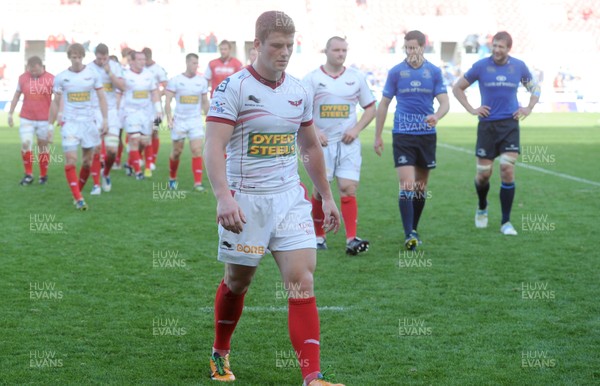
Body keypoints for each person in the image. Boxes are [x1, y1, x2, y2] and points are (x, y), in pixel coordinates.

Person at [204, 11, 344, 386]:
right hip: (245, 202)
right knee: (237, 282)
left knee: (303, 281)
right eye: (276, 46)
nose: (284, 53)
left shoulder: (299, 90)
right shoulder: (232, 88)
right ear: (257, 46)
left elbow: (310, 146)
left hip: (289, 199)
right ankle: (220, 351)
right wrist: (223, 197)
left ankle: (312, 376)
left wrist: (326, 196)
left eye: (289, 46)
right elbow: (213, 147)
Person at [452, 31, 540, 236]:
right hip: (487, 127)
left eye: (501, 47)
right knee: (483, 175)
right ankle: (482, 206)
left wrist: (528, 107)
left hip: (509, 126)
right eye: (495, 46)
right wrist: (472, 109)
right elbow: (458, 89)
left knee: (507, 170)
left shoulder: (518, 66)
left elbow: (535, 88)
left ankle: (506, 222)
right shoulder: (481, 66)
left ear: (509, 48)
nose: (497, 50)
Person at [374, 30, 449, 250]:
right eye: (407, 48)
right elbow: (384, 104)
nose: (410, 52)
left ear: (423, 47)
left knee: (420, 187)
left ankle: (413, 228)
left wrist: (437, 116)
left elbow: (444, 102)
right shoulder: (396, 72)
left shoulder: (433, 72)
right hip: (403, 134)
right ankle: (408, 234)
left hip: (426, 136)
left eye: (414, 47)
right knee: (406, 184)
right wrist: (378, 135)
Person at [302, 36, 376, 255]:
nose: (341, 54)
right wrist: (315, 130)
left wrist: (356, 129)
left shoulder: (356, 78)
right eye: (336, 50)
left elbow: (371, 108)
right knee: (319, 191)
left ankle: (351, 238)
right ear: (326, 51)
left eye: (344, 50)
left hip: (348, 144)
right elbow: (300, 109)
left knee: (348, 188)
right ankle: (318, 236)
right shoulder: (312, 79)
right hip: (321, 145)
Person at [48, 43, 108, 210]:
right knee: (71, 160)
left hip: (89, 123)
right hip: (70, 123)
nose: (76, 60)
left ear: (83, 57)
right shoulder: (61, 77)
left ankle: (77, 193)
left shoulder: (93, 75)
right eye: (73, 57)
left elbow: (102, 97)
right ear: (69, 58)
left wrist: (105, 119)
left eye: (79, 57)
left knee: (87, 162)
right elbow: (56, 101)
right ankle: (79, 198)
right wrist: (50, 126)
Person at [164, 53, 209, 191]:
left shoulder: (201, 81)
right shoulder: (176, 80)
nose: (196, 66)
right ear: (187, 63)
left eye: (197, 63)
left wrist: (209, 117)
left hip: (195, 119)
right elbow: (167, 100)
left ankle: (198, 183)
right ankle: (172, 178)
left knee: (196, 150)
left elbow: (205, 101)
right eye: (194, 63)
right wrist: (169, 117)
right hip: (180, 120)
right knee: (177, 152)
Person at [8, 56, 54, 185]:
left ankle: (43, 175)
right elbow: (16, 95)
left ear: (41, 66)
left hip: (45, 119)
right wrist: (10, 114)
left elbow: (58, 100)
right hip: (26, 117)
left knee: (42, 146)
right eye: (31, 70)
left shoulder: (51, 79)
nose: (33, 73)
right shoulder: (23, 78)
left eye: (35, 70)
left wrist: (56, 118)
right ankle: (28, 174)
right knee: (25, 143)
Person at [88, 43, 125, 194]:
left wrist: (110, 73)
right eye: (99, 58)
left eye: (104, 58)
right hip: (93, 111)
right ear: (95, 56)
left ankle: (106, 173)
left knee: (111, 151)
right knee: (95, 149)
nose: (102, 61)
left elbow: (122, 87)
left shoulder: (115, 67)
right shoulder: (88, 69)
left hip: (111, 112)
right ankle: (96, 184)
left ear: (108, 56)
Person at [121, 50, 161, 180]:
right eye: (139, 59)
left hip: (146, 112)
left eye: (144, 59)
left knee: (145, 141)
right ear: (131, 61)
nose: (142, 62)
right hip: (131, 112)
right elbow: (119, 92)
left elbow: (154, 92)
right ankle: (138, 172)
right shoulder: (125, 75)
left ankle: (129, 163)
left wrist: (158, 109)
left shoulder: (149, 75)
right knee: (134, 139)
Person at [142, 47, 168, 173]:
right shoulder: (140, 69)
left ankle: (152, 159)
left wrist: (157, 94)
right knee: (142, 133)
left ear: (149, 57)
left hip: (156, 108)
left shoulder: (158, 69)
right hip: (143, 108)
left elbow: (166, 86)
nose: (143, 62)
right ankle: (144, 158)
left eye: (144, 59)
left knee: (154, 131)